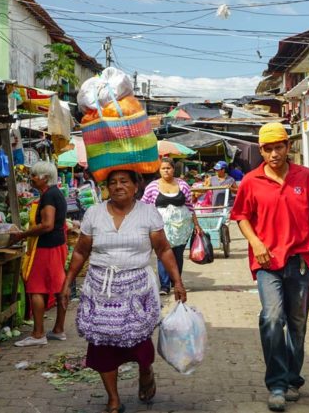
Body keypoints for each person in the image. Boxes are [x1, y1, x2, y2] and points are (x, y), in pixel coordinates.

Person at [60, 169, 186, 413]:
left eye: (124, 181)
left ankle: (146, 371)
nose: (118, 186)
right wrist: (68, 283)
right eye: (113, 182)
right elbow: (80, 251)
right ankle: (113, 398)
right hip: (100, 289)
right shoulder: (94, 213)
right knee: (102, 345)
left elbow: (163, 249)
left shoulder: (148, 213)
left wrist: (177, 281)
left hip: (136, 288)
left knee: (139, 343)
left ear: (136, 186)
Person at [230, 122, 309, 412]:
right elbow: (241, 216)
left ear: (288, 147)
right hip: (267, 263)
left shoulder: (305, 176)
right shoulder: (250, 181)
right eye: (267, 148)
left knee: (297, 323)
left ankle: (292, 380)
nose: (274, 153)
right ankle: (276, 383)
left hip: (300, 260)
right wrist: (257, 244)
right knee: (273, 318)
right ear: (260, 150)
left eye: (279, 147)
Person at [10, 161, 68, 347]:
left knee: (36, 288)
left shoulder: (49, 196)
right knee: (59, 288)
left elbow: (47, 225)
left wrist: (22, 235)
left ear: (44, 178)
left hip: (47, 247)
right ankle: (58, 330)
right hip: (57, 245)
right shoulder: (55, 193)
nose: (32, 179)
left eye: (35, 175)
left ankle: (38, 334)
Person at [141, 157, 203, 295]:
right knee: (161, 254)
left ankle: (176, 282)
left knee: (178, 255)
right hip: (160, 228)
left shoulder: (183, 185)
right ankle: (164, 286)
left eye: (168, 168)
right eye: (163, 168)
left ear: (173, 169)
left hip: (182, 228)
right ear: (159, 170)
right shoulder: (152, 186)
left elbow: (189, 206)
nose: (166, 171)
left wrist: (197, 224)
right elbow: (143, 205)